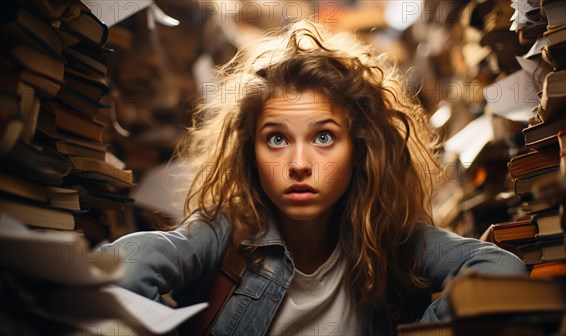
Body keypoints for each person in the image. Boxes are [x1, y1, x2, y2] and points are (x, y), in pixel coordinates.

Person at [101, 20, 526, 335]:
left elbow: (501, 269)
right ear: (252, 154)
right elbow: (121, 270)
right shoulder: (224, 233)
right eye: (276, 139)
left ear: (359, 150)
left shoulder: (391, 240)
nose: (299, 163)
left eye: (324, 137)